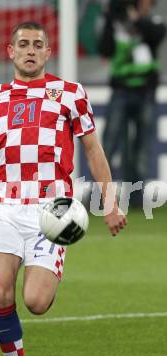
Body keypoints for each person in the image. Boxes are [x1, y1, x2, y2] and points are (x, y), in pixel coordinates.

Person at [0, 21, 127, 356]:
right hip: (1, 204)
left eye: (37, 44)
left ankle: (45, 269)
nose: (29, 50)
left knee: (36, 302)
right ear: (10, 51)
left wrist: (111, 203)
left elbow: (92, 148)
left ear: (47, 52)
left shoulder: (70, 93)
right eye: (22, 44)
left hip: (51, 210)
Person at [98, 0, 166, 206]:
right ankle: (101, 198)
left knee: (141, 148)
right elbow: (104, 49)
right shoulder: (115, 23)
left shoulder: (154, 21)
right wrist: (111, 18)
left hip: (145, 92)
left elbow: (155, 36)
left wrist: (134, 18)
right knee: (109, 145)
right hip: (120, 90)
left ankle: (136, 200)